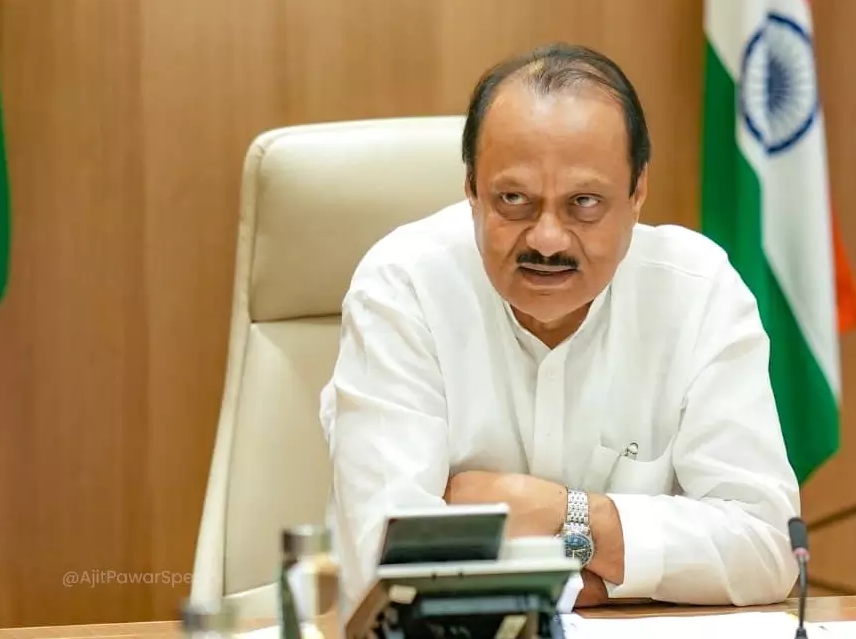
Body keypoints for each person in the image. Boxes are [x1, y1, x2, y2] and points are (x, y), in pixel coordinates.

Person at [319, 42, 800, 613]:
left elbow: (768, 548)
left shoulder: (698, 293)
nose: (547, 239)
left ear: (638, 193)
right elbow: (388, 569)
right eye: (513, 199)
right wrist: (620, 569)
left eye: (584, 203)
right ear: (471, 189)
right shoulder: (404, 287)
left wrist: (565, 514)